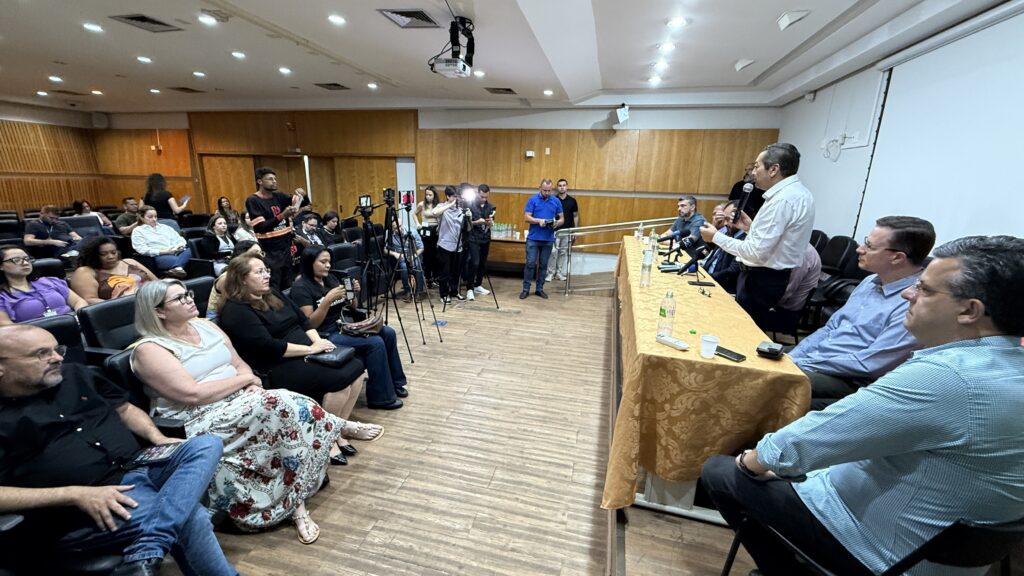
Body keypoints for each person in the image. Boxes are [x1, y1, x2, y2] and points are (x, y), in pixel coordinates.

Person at [700, 234, 1024, 576]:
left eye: (924, 289)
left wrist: (751, 462)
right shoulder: (1006, 367)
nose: (908, 294)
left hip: (881, 551)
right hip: (946, 553)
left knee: (721, 472)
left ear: (969, 311)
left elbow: (804, 442)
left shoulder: (946, 377)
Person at [131, 281, 378, 541]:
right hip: (198, 416)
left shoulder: (206, 326)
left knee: (279, 416)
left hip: (238, 400)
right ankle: (336, 428)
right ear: (158, 311)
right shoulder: (150, 349)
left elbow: (240, 364)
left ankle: (297, 502)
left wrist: (249, 382)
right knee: (279, 401)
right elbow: (192, 394)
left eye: (188, 294)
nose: (190, 299)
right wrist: (245, 381)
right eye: (179, 298)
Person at [0, 324, 238, 576]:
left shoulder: (76, 374)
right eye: (41, 354)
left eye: (57, 349)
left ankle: (150, 543)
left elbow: (124, 409)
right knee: (190, 517)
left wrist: (157, 437)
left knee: (206, 443)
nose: (57, 358)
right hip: (85, 505)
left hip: (138, 464)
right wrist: (73, 494)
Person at [789, 216, 936, 409]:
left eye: (869, 246)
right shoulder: (869, 282)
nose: (859, 249)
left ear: (897, 258)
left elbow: (870, 363)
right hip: (819, 359)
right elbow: (831, 328)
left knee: (775, 383)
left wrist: (801, 364)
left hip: (850, 379)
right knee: (756, 358)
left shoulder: (912, 303)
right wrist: (795, 356)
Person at [217, 254, 369, 413]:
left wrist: (317, 342)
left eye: (266, 270)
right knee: (340, 379)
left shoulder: (271, 293)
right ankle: (330, 428)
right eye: (259, 272)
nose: (267, 275)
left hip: (306, 349)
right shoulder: (236, 310)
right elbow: (268, 346)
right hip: (276, 364)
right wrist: (311, 349)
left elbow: (303, 320)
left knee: (356, 367)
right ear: (242, 279)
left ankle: (341, 424)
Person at [699, 142, 814, 330]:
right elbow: (777, 240)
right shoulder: (798, 194)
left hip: (762, 278)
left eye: (757, 166)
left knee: (742, 332)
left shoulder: (783, 200)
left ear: (774, 170)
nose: (753, 172)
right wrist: (750, 228)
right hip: (767, 276)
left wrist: (715, 237)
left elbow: (754, 252)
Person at [290, 247, 408, 410]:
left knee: (388, 332)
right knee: (375, 343)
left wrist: (353, 293)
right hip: (325, 334)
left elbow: (352, 306)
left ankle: (396, 383)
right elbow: (310, 324)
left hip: (344, 324)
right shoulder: (301, 287)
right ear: (310, 263)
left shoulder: (331, 279)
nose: (328, 265)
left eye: (329, 261)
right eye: (323, 262)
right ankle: (380, 398)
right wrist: (327, 301)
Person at [246, 167, 300, 291]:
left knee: (289, 284)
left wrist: (302, 195)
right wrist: (282, 216)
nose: (274, 181)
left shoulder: (279, 196)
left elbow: (303, 201)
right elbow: (261, 228)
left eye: (275, 179)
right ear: (260, 181)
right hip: (271, 250)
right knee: (274, 285)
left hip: (286, 247)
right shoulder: (253, 200)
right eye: (270, 179)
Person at [0, 246, 86, 324]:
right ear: (1, 266)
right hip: (37, 334)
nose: (25, 263)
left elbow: (78, 302)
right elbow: (8, 327)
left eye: (27, 258)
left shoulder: (50, 281)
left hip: (74, 325)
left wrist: (79, 318)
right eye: (16, 260)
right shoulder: (3, 296)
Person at [70, 237, 157, 304]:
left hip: (153, 301)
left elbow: (156, 281)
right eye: (103, 254)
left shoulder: (129, 262)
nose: (111, 257)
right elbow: (89, 300)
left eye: (113, 252)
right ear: (93, 256)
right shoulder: (85, 272)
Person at [521, 179, 564, 300]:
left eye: (549, 191)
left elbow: (562, 219)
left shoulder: (556, 201)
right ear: (540, 188)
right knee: (530, 264)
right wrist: (538, 221)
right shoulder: (532, 200)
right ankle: (525, 289)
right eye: (545, 190)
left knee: (544, 265)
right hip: (533, 238)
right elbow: (526, 217)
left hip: (548, 239)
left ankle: (539, 289)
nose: (547, 193)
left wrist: (557, 223)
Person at [429, 185, 469, 304]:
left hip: (458, 245)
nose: (456, 199)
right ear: (447, 196)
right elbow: (434, 213)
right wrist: (450, 205)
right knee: (445, 272)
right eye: (453, 197)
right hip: (444, 245)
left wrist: (469, 217)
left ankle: (454, 292)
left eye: (457, 197)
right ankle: (444, 294)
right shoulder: (441, 207)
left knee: (456, 272)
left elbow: (468, 229)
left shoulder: (461, 209)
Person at [206, 240, 263, 321]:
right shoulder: (226, 278)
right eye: (255, 253)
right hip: (219, 315)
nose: (260, 256)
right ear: (242, 255)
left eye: (261, 253)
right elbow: (235, 303)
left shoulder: (259, 271)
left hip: (247, 307)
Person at [131, 206, 191, 279]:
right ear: (142, 217)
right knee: (187, 260)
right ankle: (178, 267)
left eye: (155, 216)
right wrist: (164, 251)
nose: (154, 219)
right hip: (159, 256)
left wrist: (179, 246)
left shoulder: (165, 227)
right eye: (150, 217)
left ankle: (177, 268)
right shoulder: (138, 231)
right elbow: (142, 249)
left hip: (177, 251)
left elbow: (180, 239)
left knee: (191, 249)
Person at [702, 201, 746, 293]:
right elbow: (706, 250)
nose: (725, 223)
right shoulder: (727, 232)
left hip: (723, 289)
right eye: (724, 219)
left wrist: (707, 277)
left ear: (740, 217)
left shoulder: (745, 241)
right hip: (707, 279)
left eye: (728, 219)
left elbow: (731, 272)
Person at [463, 183, 495, 301]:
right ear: (477, 194)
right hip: (473, 237)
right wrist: (477, 222)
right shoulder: (470, 206)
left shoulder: (490, 207)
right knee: (474, 262)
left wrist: (490, 222)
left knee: (482, 263)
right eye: (482, 197)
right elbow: (467, 224)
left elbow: (492, 223)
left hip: (485, 237)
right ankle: (470, 288)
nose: (484, 199)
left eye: (486, 197)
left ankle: (478, 285)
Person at [546, 178, 579, 282]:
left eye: (564, 185)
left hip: (567, 231)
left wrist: (575, 231)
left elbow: (575, 216)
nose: (562, 187)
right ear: (557, 187)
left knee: (563, 252)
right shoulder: (553, 200)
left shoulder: (572, 201)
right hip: (555, 231)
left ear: (567, 187)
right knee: (553, 252)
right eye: (560, 185)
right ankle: (550, 273)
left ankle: (558, 273)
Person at [386, 221, 426, 303]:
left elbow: (421, 248)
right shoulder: (388, 234)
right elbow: (385, 249)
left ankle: (419, 291)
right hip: (400, 255)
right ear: (392, 228)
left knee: (417, 266)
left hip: (413, 254)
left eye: (400, 226)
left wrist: (413, 256)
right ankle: (407, 291)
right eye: (396, 228)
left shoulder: (412, 232)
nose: (399, 229)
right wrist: (395, 254)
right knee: (403, 268)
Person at [415, 186, 440, 287]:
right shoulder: (422, 204)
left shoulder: (438, 205)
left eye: (430, 195)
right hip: (426, 230)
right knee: (427, 255)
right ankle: (428, 278)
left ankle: (436, 277)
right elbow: (414, 214)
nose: (428, 197)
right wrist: (418, 223)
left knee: (436, 255)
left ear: (434, 195)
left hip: (436, 231)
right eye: (426, 194)